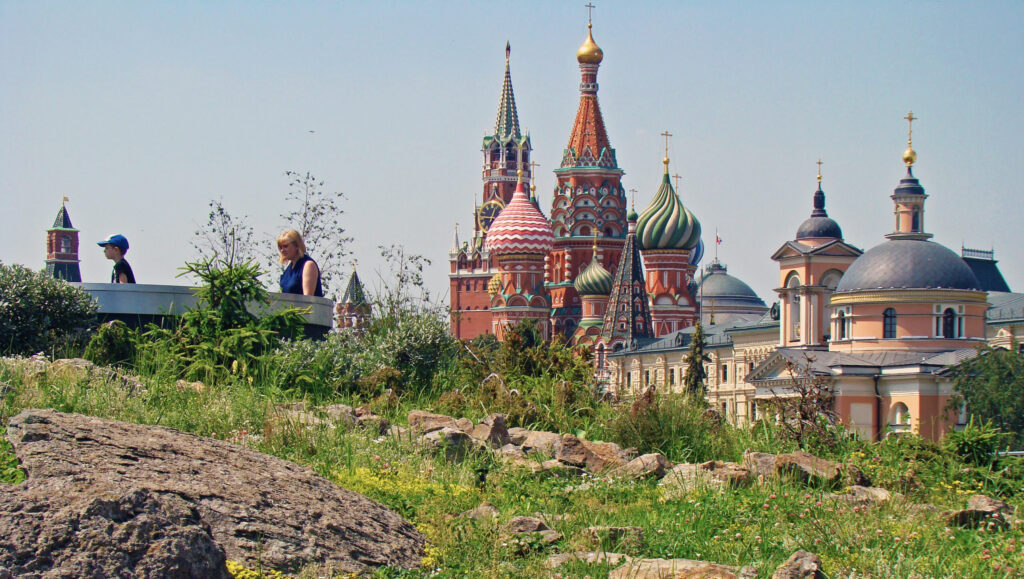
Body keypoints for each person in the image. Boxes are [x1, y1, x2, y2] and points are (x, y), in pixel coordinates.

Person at [277, 229, 323, 297]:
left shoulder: (308, 265)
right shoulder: (288, 270)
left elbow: (308, 299)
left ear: (297, 246)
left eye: (285, 246)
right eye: (281, 247)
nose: (282, 250)